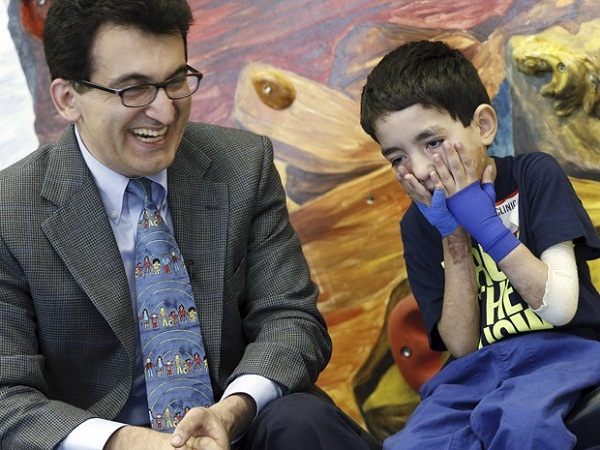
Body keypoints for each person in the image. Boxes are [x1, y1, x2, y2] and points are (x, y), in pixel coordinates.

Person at [0, 1, 380, 449]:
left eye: (176, 81)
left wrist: (231, 411)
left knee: (302, 422)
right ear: (67, 99)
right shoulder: (11, 212)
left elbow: (291, 319)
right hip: (104, 441)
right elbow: (7, 394)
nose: (164, 112)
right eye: (134, 90)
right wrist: (130, 443)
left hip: (236, 429)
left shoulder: (241, 165)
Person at [360, 40, 600, 449]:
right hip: (474, 373)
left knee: (521, 425)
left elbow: (560, 307)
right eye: (397, 157)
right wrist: (454, 236)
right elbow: (462, 345)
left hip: (564, 353)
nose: (418, 169)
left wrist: (484, 224)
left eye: (432, 143)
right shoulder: (418, 224)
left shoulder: (533, 174)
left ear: (484, 126)